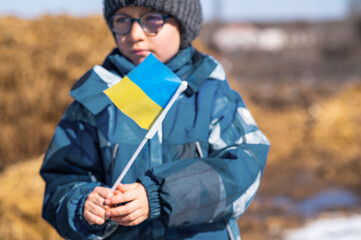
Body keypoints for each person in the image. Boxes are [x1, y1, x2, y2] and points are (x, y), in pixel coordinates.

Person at [40, 0, 270, 239]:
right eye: (122, 20)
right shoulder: (97, 98)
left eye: (152, 19)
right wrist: (83, 204)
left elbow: (243, 167)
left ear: (183, 25)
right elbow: (61, 180)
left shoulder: (211, 94)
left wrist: (158, 195)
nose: (135, 34)